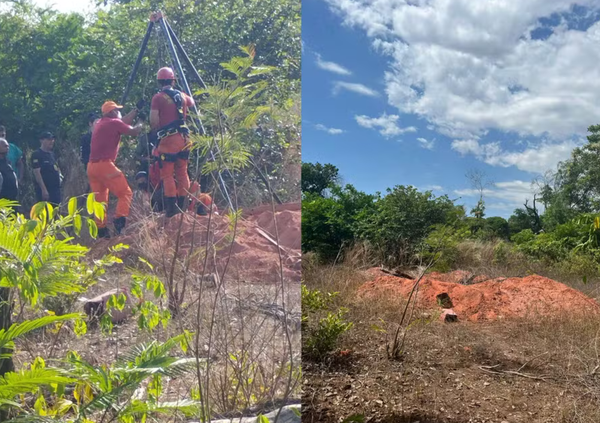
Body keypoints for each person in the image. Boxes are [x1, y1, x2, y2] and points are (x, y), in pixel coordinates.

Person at [88, 100, 143, 238]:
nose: (120, 112)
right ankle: (119, 224)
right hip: (105, 165)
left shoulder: (101, 123)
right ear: (112, 112)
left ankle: (101, 232)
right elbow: (134, 131)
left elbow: (122, 122)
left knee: (100, 201)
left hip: (92, 167)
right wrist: (141, 121)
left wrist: (136, 110)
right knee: (125, 193)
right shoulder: (113, 123)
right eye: (117, 110)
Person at [150, 67, 195, 217]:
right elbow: (192, 103)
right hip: (185, 139)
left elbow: (154, 121)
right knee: (182, 172)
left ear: (159, 81)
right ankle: (183, 207)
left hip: (169, 140)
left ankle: (172, 210)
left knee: (167, 175)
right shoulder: (182, 95)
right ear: (173, 80)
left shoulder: (158, 97)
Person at [31, 132, 62, 206]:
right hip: (45, 189)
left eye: (52, 139)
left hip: (55, 189)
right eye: (49, 139)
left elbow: (56, 167)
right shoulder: (37, 154)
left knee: (56, 211)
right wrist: (44, 190)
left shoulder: (52, 154)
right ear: (41, 140)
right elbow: (37, 173)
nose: (51, 141)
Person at [0, 138, 19, 208]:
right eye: (5, 146)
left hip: (12, 200)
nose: (8, 148)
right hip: (2, 202)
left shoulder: (7, 162)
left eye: (8, 146)